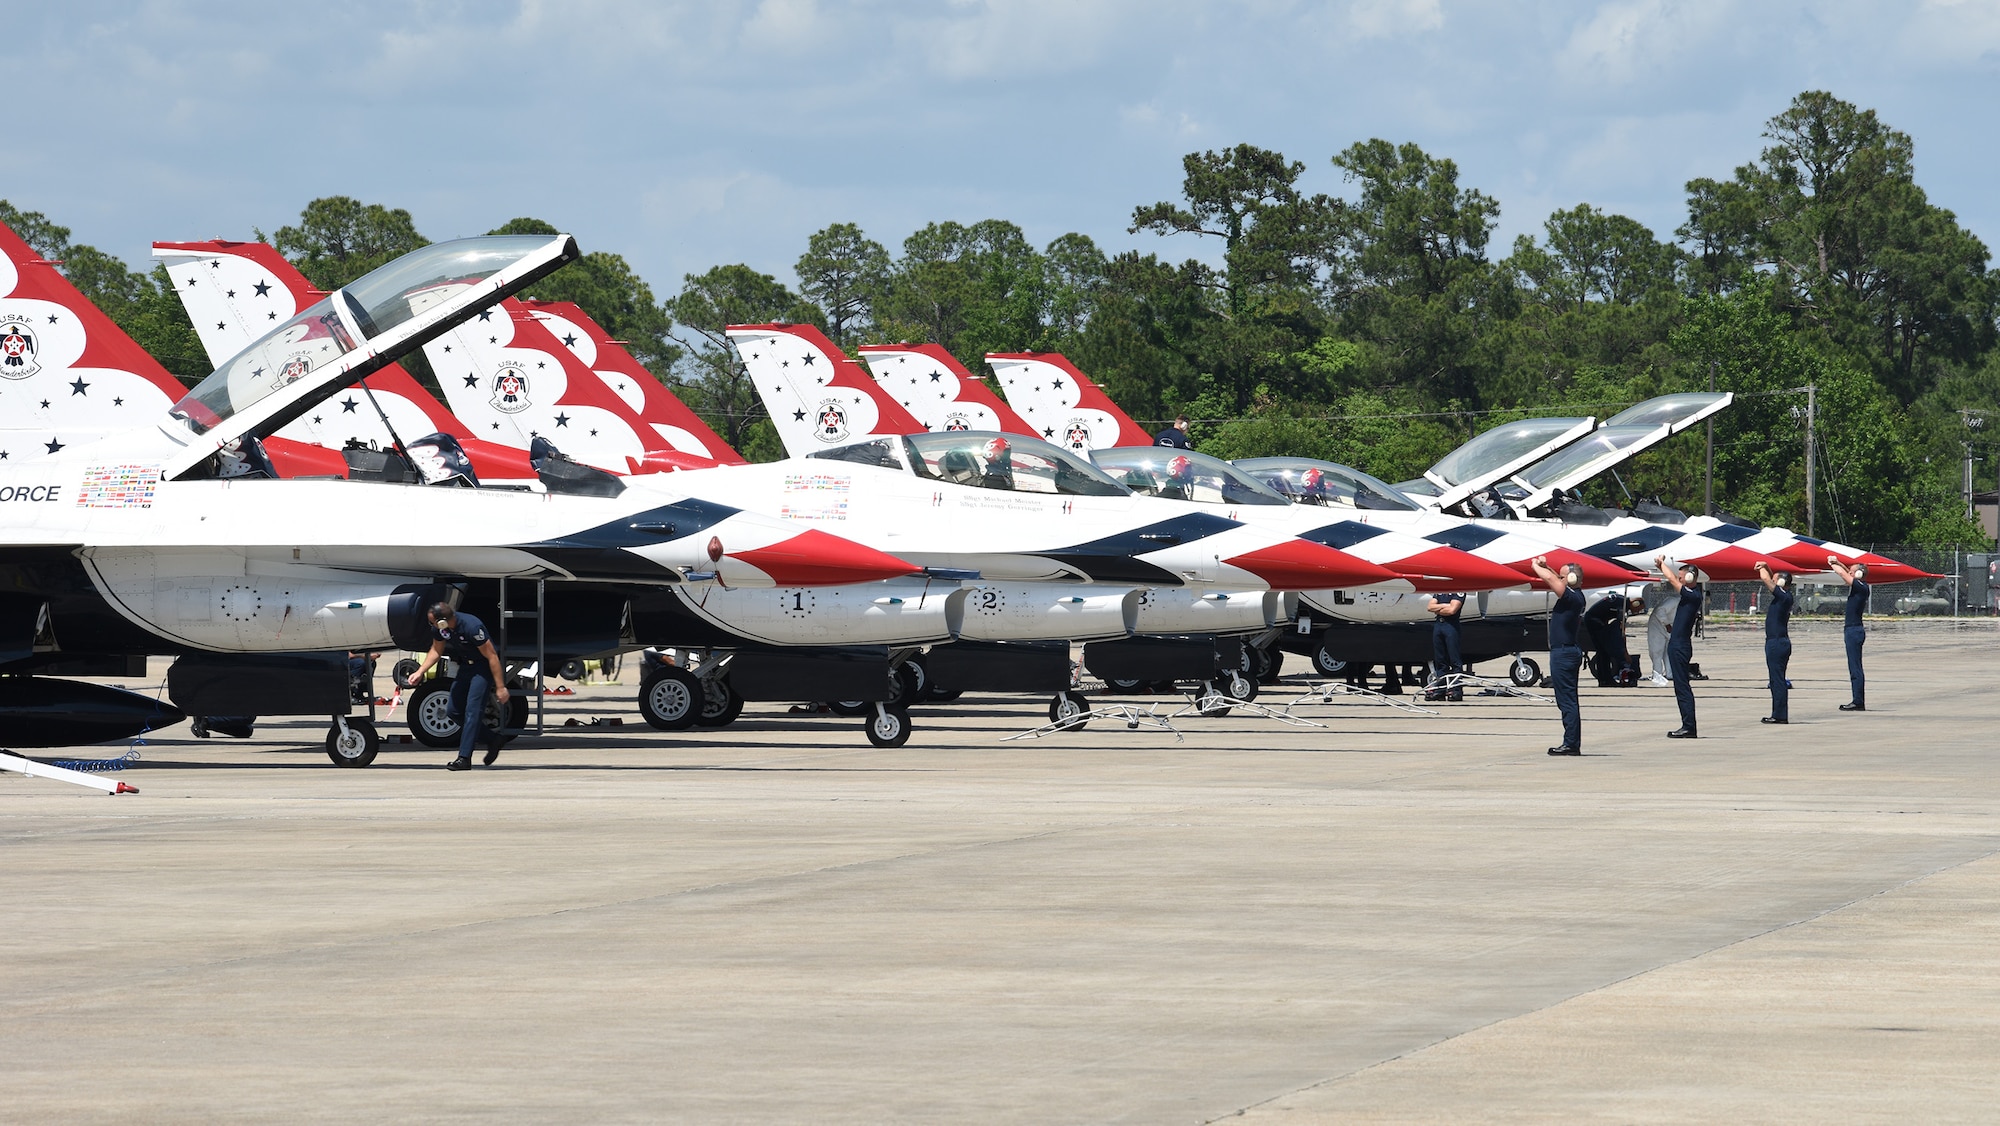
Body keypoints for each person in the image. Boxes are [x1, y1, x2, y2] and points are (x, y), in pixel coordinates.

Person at [403, 601, 511, 770]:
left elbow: (492, 656)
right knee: (453, 711)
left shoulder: (472, 626)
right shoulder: (441, 629)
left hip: (482, 668)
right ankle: (493, 739)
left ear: (442, 621)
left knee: (472, 711)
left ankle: (464, 758)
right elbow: (436, 650)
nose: (431, 625)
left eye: (432, 622)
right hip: (466, 667)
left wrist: (500, 687)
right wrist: (420, 671)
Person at [1531, 556, 1585, 756]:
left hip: (1564, 653)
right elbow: (1557, 578)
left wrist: (1536, 566)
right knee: (1568, 699)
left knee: (1567, 700)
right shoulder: (1575, 594)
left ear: (1570, 579)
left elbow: (1553, 581)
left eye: (1563, 577)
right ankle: (1571, 741)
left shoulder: (1571, 597)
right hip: (1564, 651)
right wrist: (1549, 567)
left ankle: (1571, 743)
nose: (1559, 579)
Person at [1657, 556, 1702, 738]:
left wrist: (1661, 565)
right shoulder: (1692, 595)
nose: (1680, 579)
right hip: (1679, 643)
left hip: (1680, 645)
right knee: (1680, 686)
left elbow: (1672, 580)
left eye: (1682, 576)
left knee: (1682, 687)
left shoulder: (1692, 595)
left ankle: (1689, 726)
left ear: (1690, 577)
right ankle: (1687, 725)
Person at [1753, 561, 1794, 724]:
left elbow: (1766, 580)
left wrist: (1762, 567)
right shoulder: (1783, 595)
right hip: (1777, 641)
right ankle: (1778, 712)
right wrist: (1767, 566)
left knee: (1777, 680)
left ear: (1782, 583)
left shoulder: (1783, 597)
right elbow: (1770, 578)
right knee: (1777, 679)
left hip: (1777, 643)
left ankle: (1779, 714)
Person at [1829, 557, 1870, 711]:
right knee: (1854, 666)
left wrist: (1833, 564)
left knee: (1855, 667)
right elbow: (1846, 572)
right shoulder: (1859, 585)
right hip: (1852, 629)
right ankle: (1857, 699)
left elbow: (1843, 574)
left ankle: (1858, 701)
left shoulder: (1861, 587)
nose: (1850, 573)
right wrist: (1838, 562)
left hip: (1854, 630)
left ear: (1858, 574)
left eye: (1853, 572)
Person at [1423, 591, 1465, 702]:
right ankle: (1440, 688)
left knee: (1454, 660)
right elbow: (1429, 607)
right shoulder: (1440, 592)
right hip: (1439, 626)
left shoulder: (1459, 592)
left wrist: (1438, 608)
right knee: (1440, 660)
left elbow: (1452, 610)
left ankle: (1456, 689)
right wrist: (1445, 605)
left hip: (1451, 626)